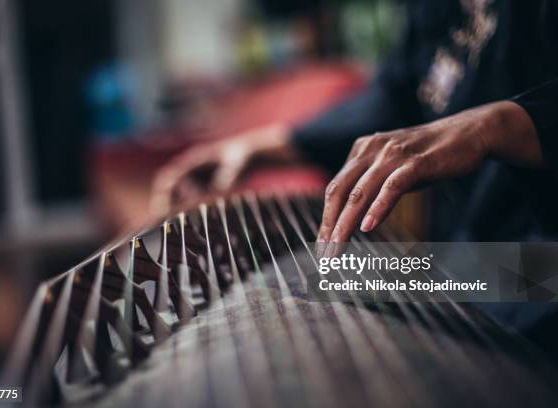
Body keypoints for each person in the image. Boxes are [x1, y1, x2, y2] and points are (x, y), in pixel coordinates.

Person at [151, 0, 558, 244]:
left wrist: (495, 125)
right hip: (477, 252)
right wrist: (254, 147)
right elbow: (399, 92)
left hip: (541, 270)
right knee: (319, 284)